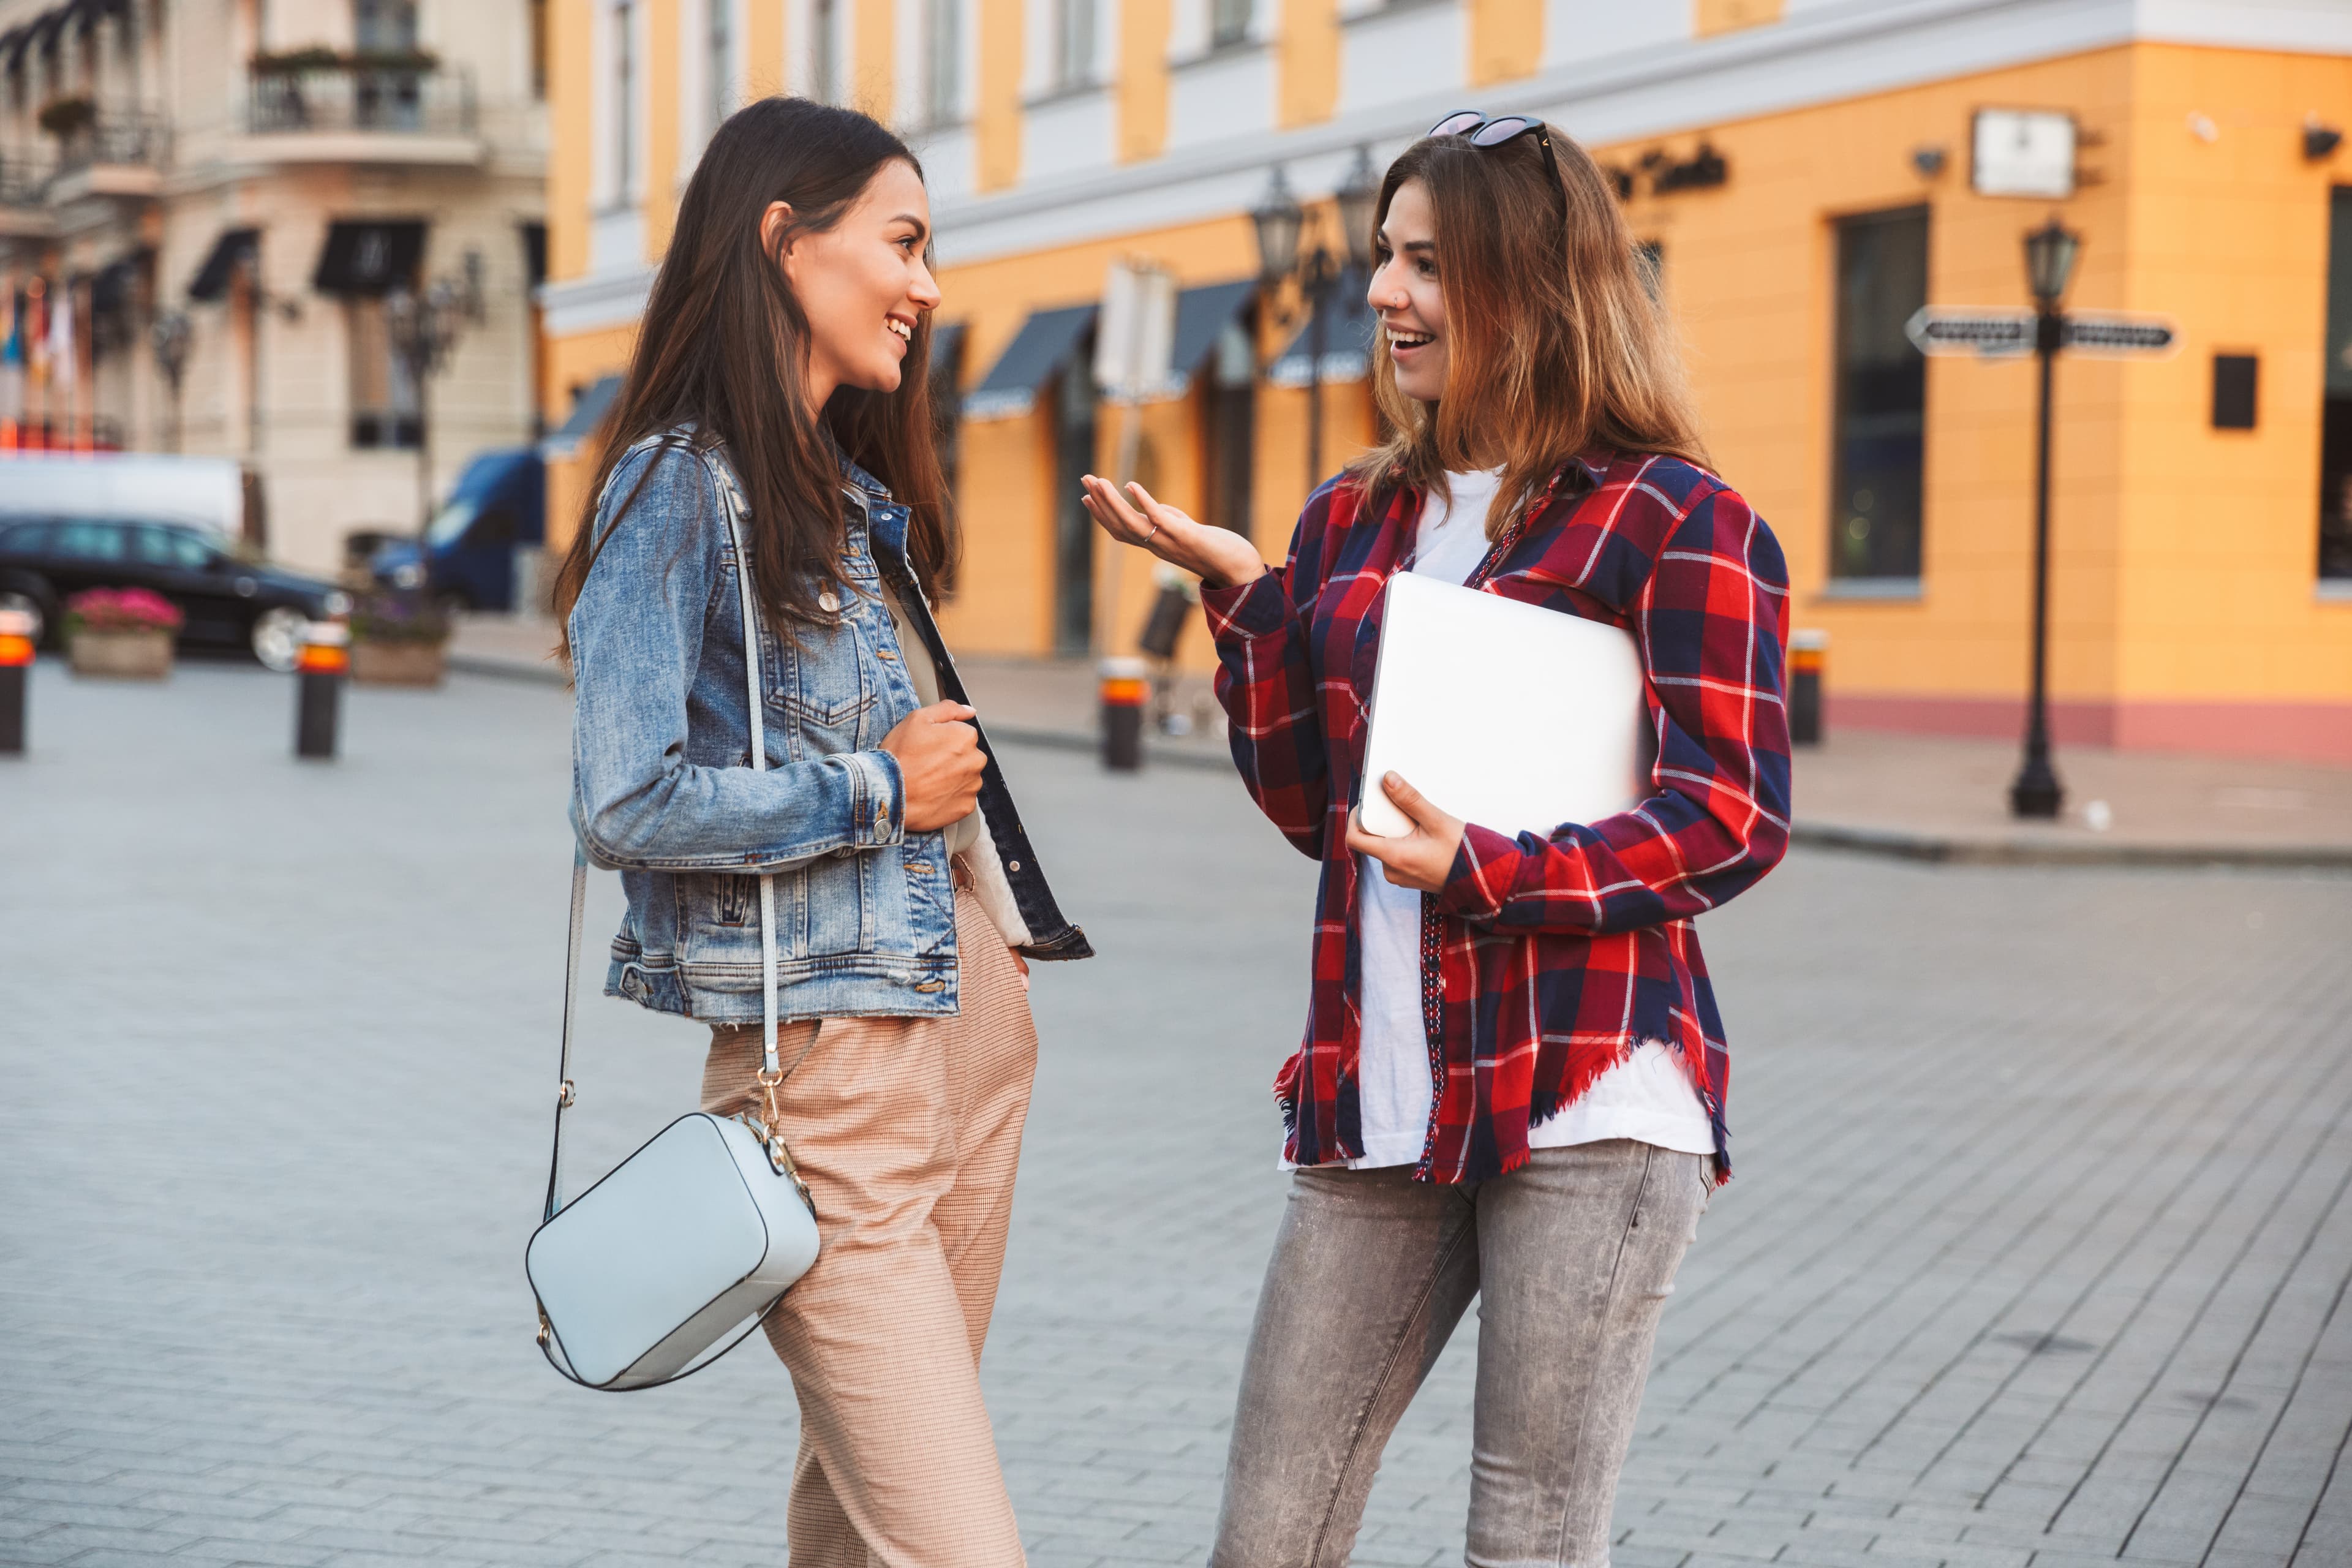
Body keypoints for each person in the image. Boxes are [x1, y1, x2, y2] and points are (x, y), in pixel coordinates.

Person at [1081, 111, 1791, 1567]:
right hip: (1382, 1093)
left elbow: (1730, 812)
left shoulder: (1676, 519)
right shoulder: (1352, 516)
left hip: (1588, 1094)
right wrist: (1251, 606)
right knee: (1271, 1531)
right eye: (1384, 260)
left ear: (1531, 287)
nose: (1387, 295)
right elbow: (1311, 812)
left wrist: (1497, 869)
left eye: (1428, 265)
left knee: (1527, 1539)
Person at [555, 96, 1090, 1568]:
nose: (927, 282)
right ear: (786, 241)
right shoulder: (679, 485)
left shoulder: (845, 498)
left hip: (966, 1037)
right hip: (830, 1082)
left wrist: (994, 939)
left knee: (861, 1519)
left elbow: (936, 764)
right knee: (958, 1540)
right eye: (902, 241)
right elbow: (624, 799)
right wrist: (872, 790)